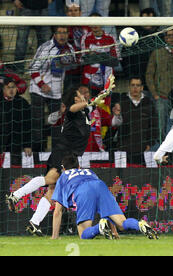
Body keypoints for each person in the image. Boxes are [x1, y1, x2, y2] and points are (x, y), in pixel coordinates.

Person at [5, 77, 114, 236]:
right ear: (75, 98)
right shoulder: (72, 110)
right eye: (80, 93)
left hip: (71, 155)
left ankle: (34, 222)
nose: (83, 95)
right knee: (50, 180)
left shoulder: (85, 111)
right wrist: (92, 100)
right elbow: (76, 107)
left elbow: (93, 104)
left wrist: (104, 93)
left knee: (53, 190)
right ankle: (15, 195)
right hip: (64, 153)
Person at [51, 154, 158, 240]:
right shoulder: (89, 171)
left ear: (63, 168)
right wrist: (114, 231)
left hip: (82, 189)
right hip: (100, 185)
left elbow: (57, 212)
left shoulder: (63, 176)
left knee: (83, 234)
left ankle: (99, 228)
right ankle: (139, 224)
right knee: (122, 223)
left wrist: (54, 237)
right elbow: (104, 206)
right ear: (79, 167)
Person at [29, 26, 76, 152]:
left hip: (56, 93)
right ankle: (37, 152)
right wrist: (41, 84)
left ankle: (56, 153)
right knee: (37, 123)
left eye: (65, 32)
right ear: (54, 35)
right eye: (59, 33)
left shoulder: (70, 49)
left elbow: (73, 66)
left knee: (57, 125)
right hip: (38, 90)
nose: (62, 35)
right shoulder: (45, 48)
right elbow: (32, 68)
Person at [113, 77, 159, 165]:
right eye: (133, 85)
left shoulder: (149, 103)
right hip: (124, 148)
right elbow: (115, 124)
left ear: (142, 88)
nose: (135, 88)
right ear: (129, 87)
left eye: (138, 85)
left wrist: (150, 143)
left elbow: (154, 125)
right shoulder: (121, 102)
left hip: (144, 148)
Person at [121, 8, 160, 93]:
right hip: (137, 82)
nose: (147, 22)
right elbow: (124, 58)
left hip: (156, 83)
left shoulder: (160, 38)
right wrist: (131, 77)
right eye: (144, 19)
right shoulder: (132, 37)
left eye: (150, 19)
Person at [81, 12, 120, 97]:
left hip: (107, 81)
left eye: (97, 21)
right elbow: (83, 60)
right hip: (90, 81)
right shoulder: (85, 38)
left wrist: (94, 55)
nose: (95, 24)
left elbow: (116, 61)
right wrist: (104, 56)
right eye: (92, 21)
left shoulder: (110, 38)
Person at [12, 0, 52, 73]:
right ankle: (18, 68)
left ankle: (40, 66)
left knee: (44, 41)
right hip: (25, 7)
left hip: (43, 8)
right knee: (21, 40)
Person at [0, 77, 32, 166]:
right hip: (1, 141)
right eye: (8, 87)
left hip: (16, 143)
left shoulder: (23, 103)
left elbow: (27, 125)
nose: (11, 90)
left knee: (15, 168)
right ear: (3, 89)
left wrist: (27, 145)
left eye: (13, 87)